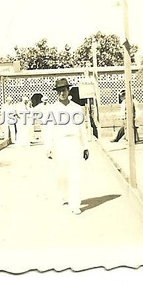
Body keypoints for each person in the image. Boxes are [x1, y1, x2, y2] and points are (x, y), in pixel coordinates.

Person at [49, 78, 89, 215]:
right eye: (59, 91)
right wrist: (48, 147)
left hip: (74, 143)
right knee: (61, 174)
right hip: (59, 144)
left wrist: (85, 146)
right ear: (57, 93)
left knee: (75, 174)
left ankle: (75, 204)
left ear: (68, 91)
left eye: (64, 90)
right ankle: (63, 195)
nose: (62, 93)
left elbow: (82, 128)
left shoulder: (76, 108)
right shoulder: (53, 109)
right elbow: (48, 129)